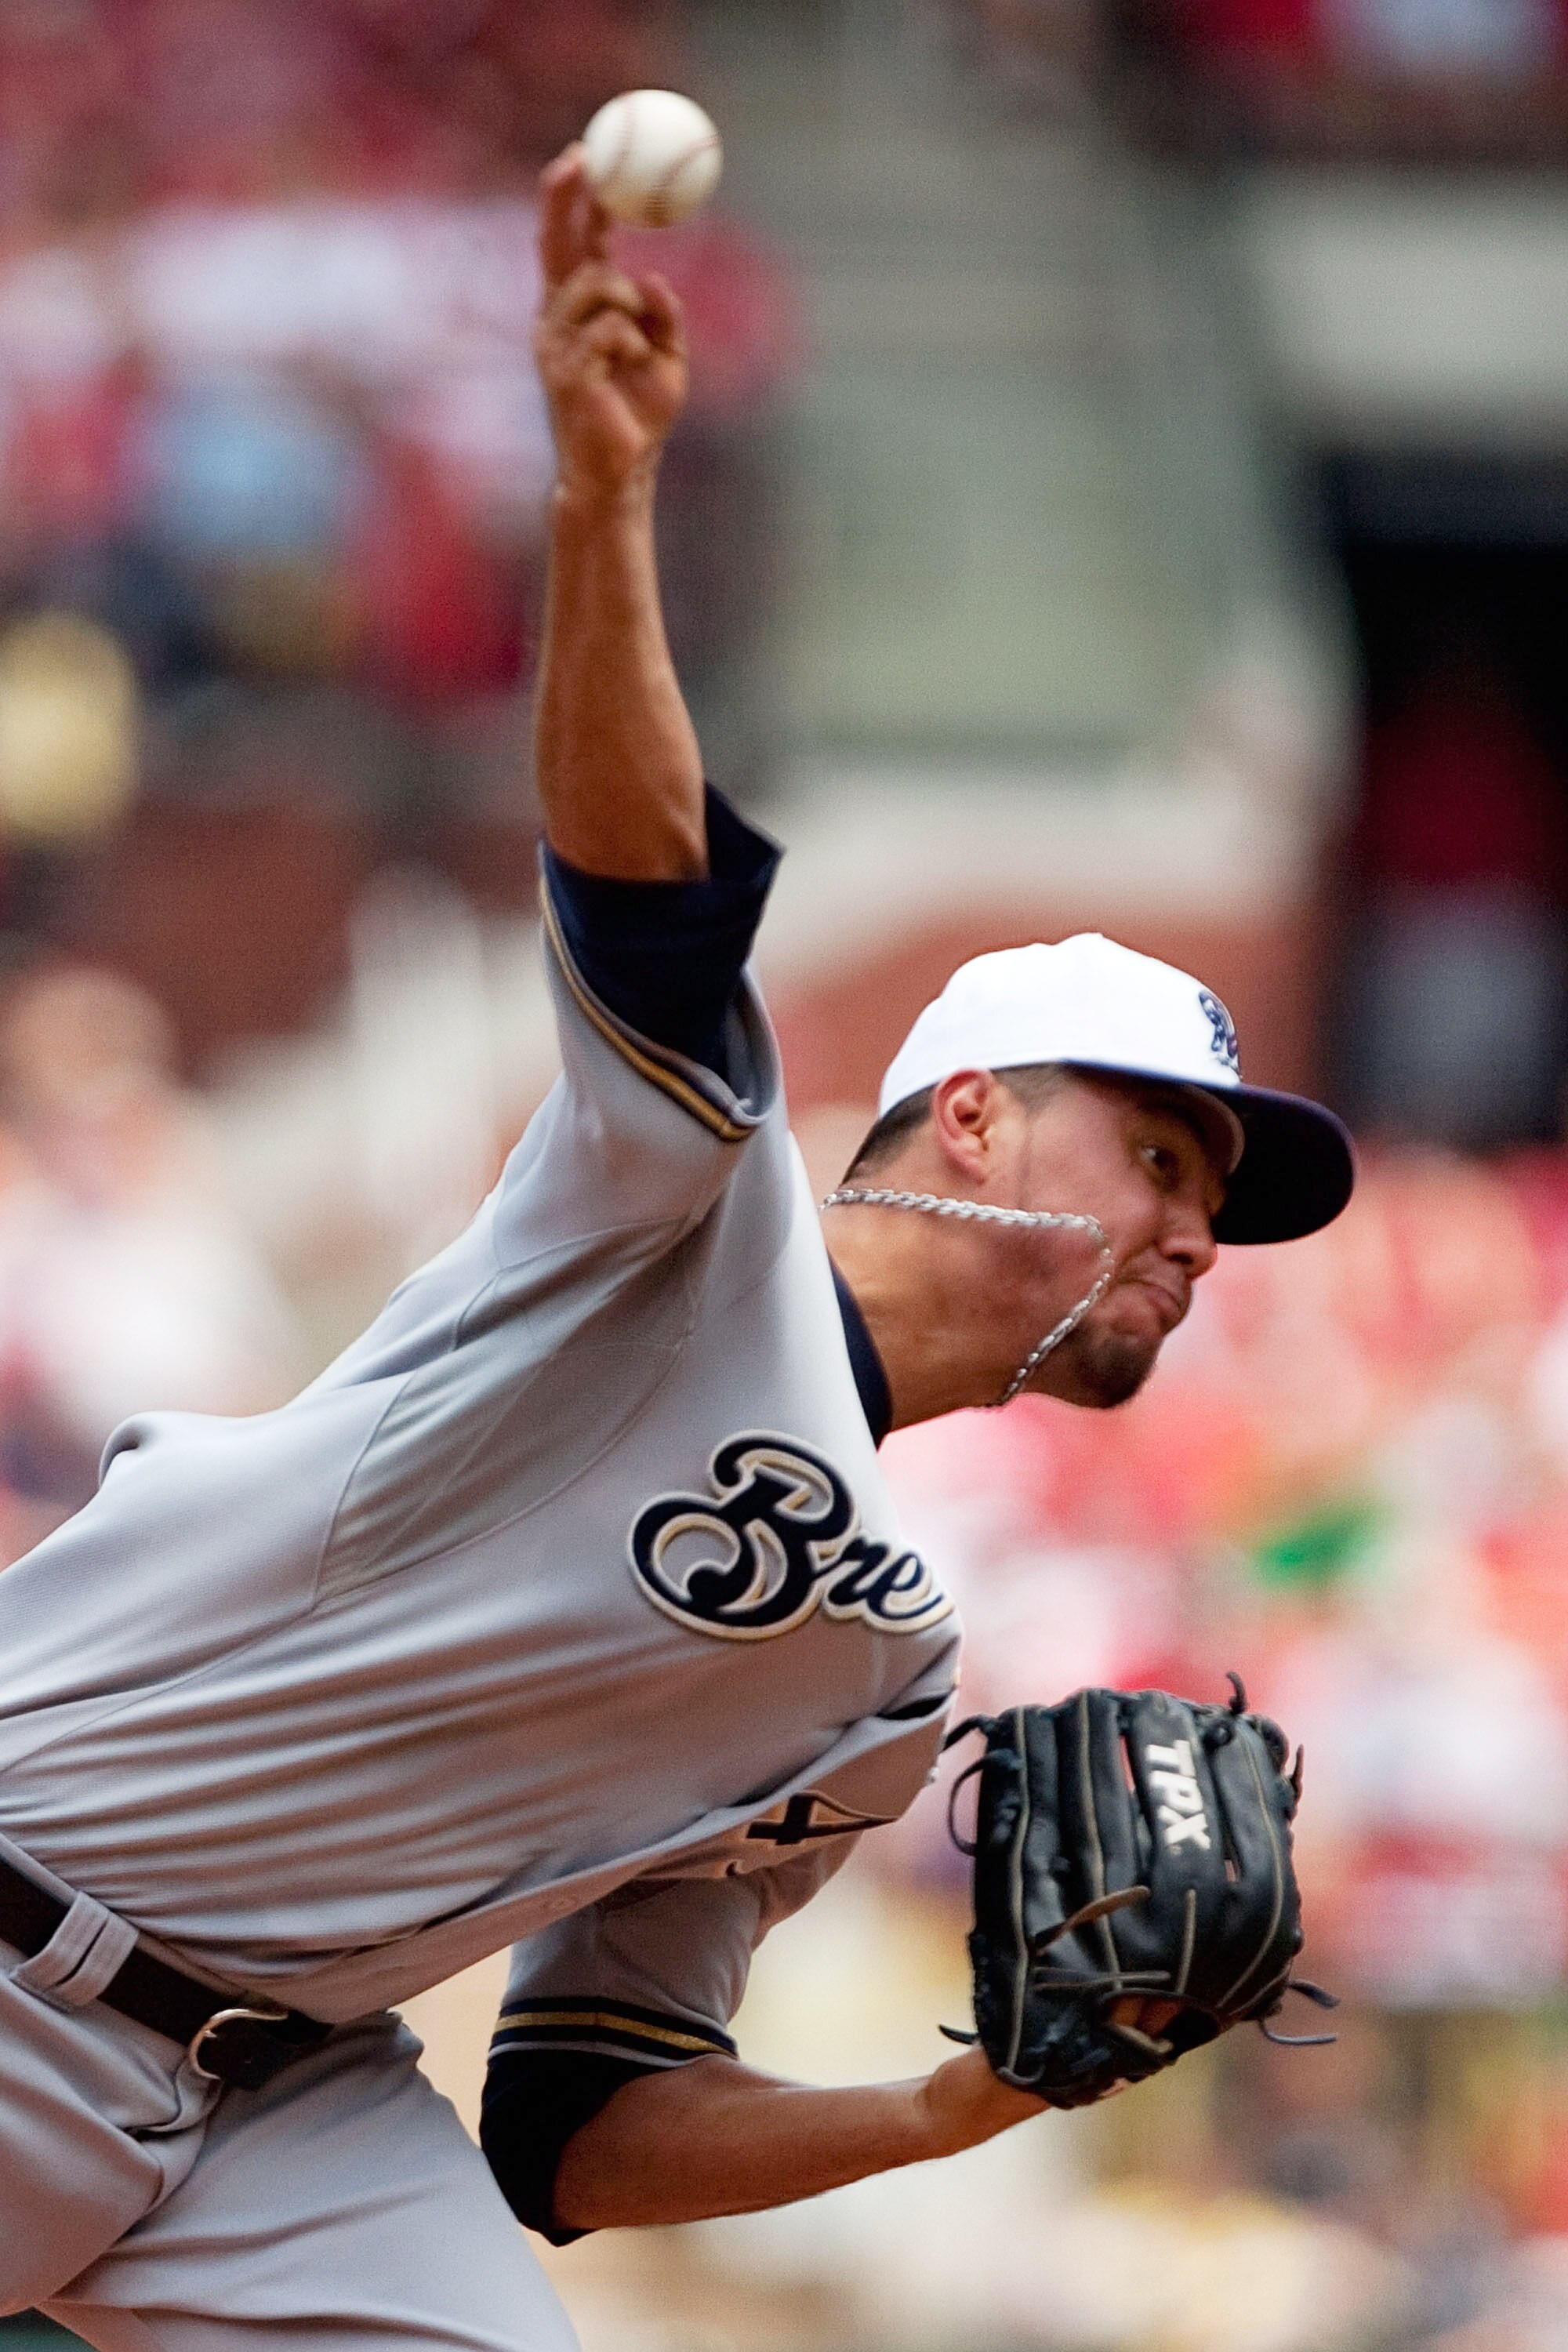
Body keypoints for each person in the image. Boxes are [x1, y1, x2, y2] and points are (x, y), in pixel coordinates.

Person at [0, 150, 1354, 2349]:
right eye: (1165, 1159)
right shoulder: (685, 1216)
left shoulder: (887, 1684)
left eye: (1227, 1199)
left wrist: (967, 2100)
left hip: (279, 2106)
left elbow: (580, 2128)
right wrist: (603, 500)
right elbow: (640, 887)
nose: (1200, 1233)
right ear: (978, 1112)